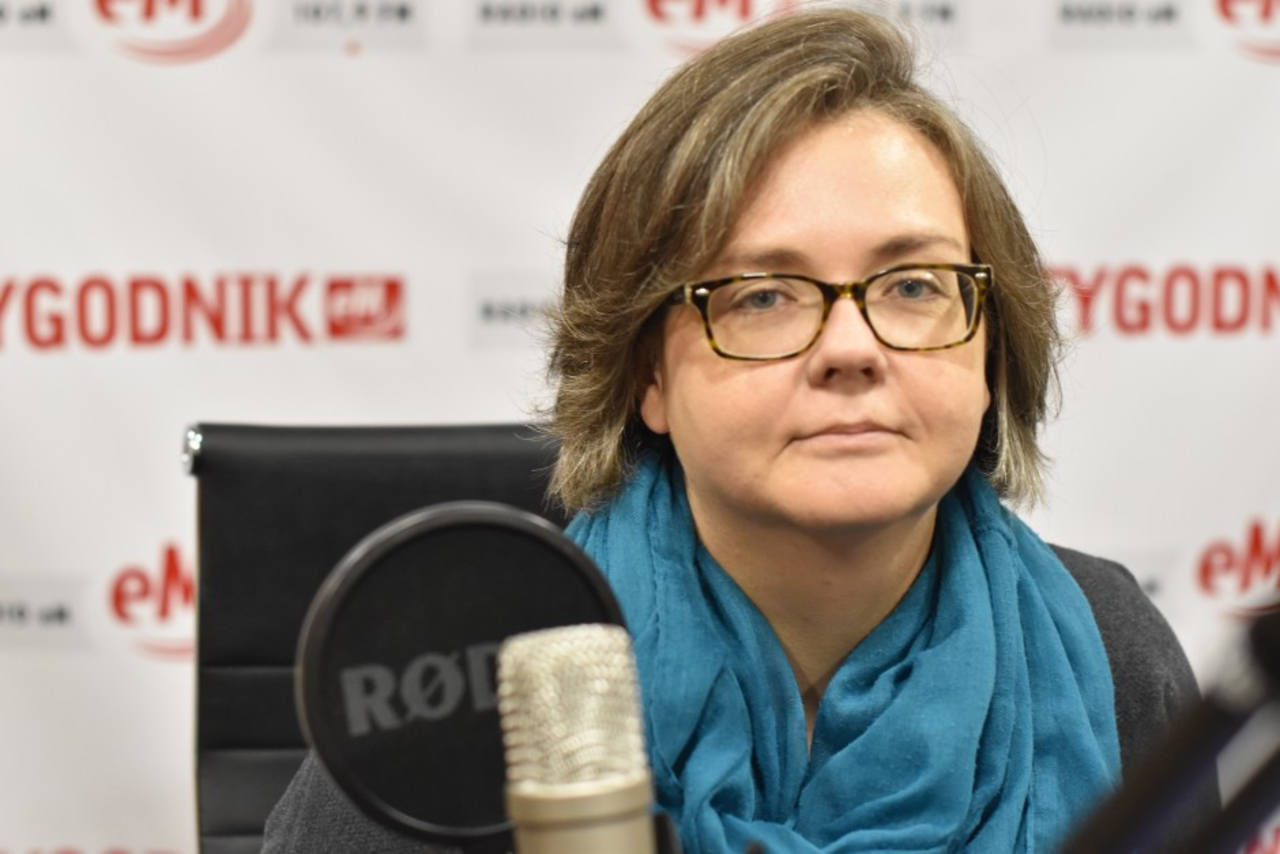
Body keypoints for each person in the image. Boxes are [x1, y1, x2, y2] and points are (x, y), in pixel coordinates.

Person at [263, 7, 1216, 852]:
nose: (853, 348)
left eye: (914, 285)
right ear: (647, 375)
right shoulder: (479, 690)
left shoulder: (1109, 648)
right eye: (763, 295)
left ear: (991, 343)